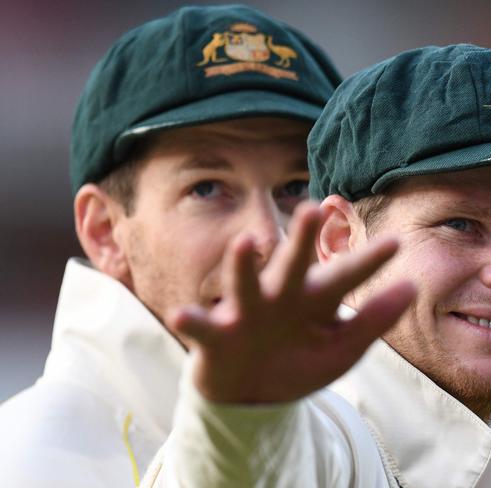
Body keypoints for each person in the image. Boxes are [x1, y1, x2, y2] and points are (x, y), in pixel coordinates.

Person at [143, 44, 491, 487]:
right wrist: (241, 414)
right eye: (460, 224)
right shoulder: (327, 433)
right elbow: (259, 463)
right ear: (338, 238)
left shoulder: (461, 463)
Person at [0, 4, 361, 486]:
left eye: (296, 187)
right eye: (207, 188)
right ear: (105, 231)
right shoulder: (29, 463)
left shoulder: (358, 437)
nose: (268, 237)